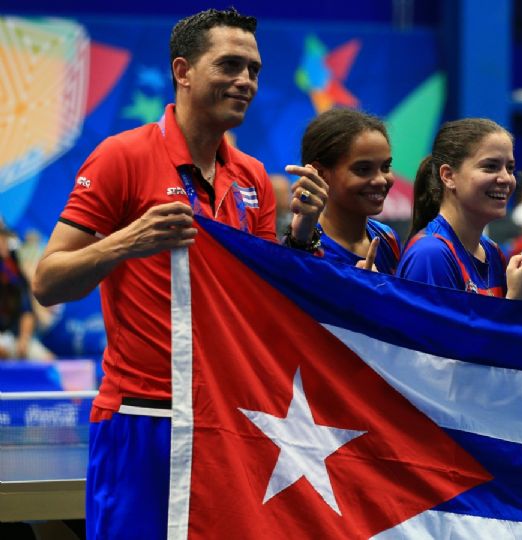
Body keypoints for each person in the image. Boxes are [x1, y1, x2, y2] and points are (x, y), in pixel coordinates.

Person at [31, 9, 327, 538]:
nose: (246, 81)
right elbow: (49, 281)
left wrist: (302, 236)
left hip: (227, 422)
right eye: (230, 65)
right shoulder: (121, 156)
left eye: (254, 70)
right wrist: (130, 240)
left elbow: (258, 304)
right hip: (142, 419)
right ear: (183, 70)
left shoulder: (253, 178)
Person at [397, 118, 522, 299]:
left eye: (510, 168)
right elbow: (439, 329)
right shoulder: (430, 255)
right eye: (490, 167)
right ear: (448, 176)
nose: (506, 178)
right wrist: (517, 299)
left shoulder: (491, 252)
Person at [300, 108, 402, 274]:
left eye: (385, 167)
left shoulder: (387, 238)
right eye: (363, 169)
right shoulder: (302, 245)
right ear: (321, 174)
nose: (381, 180)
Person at [0, 218, 52, 360]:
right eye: (1, 238)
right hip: (3, 341)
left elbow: (26, 309)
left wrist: (24, 339)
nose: (4, 243)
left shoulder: (13, 266)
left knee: (48, 361)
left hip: (13, 337)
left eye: (5, 237)